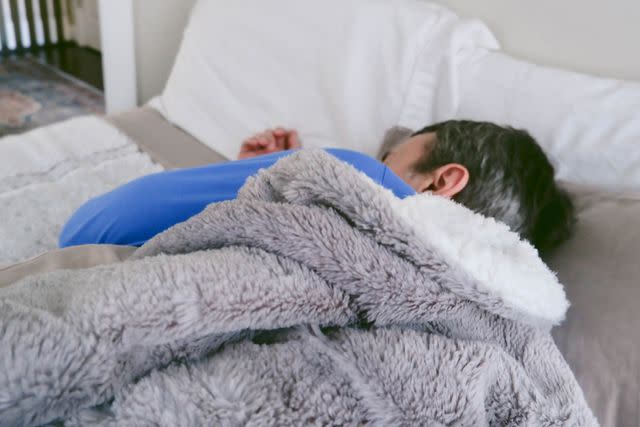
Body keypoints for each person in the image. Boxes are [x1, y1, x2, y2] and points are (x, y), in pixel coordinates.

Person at [59, 120, 574, 253]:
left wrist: (308, 165)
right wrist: (256, 179)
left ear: (443, 181)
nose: (377, 163)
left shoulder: (356, 176)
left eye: (391, 158)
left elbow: (93, 228)